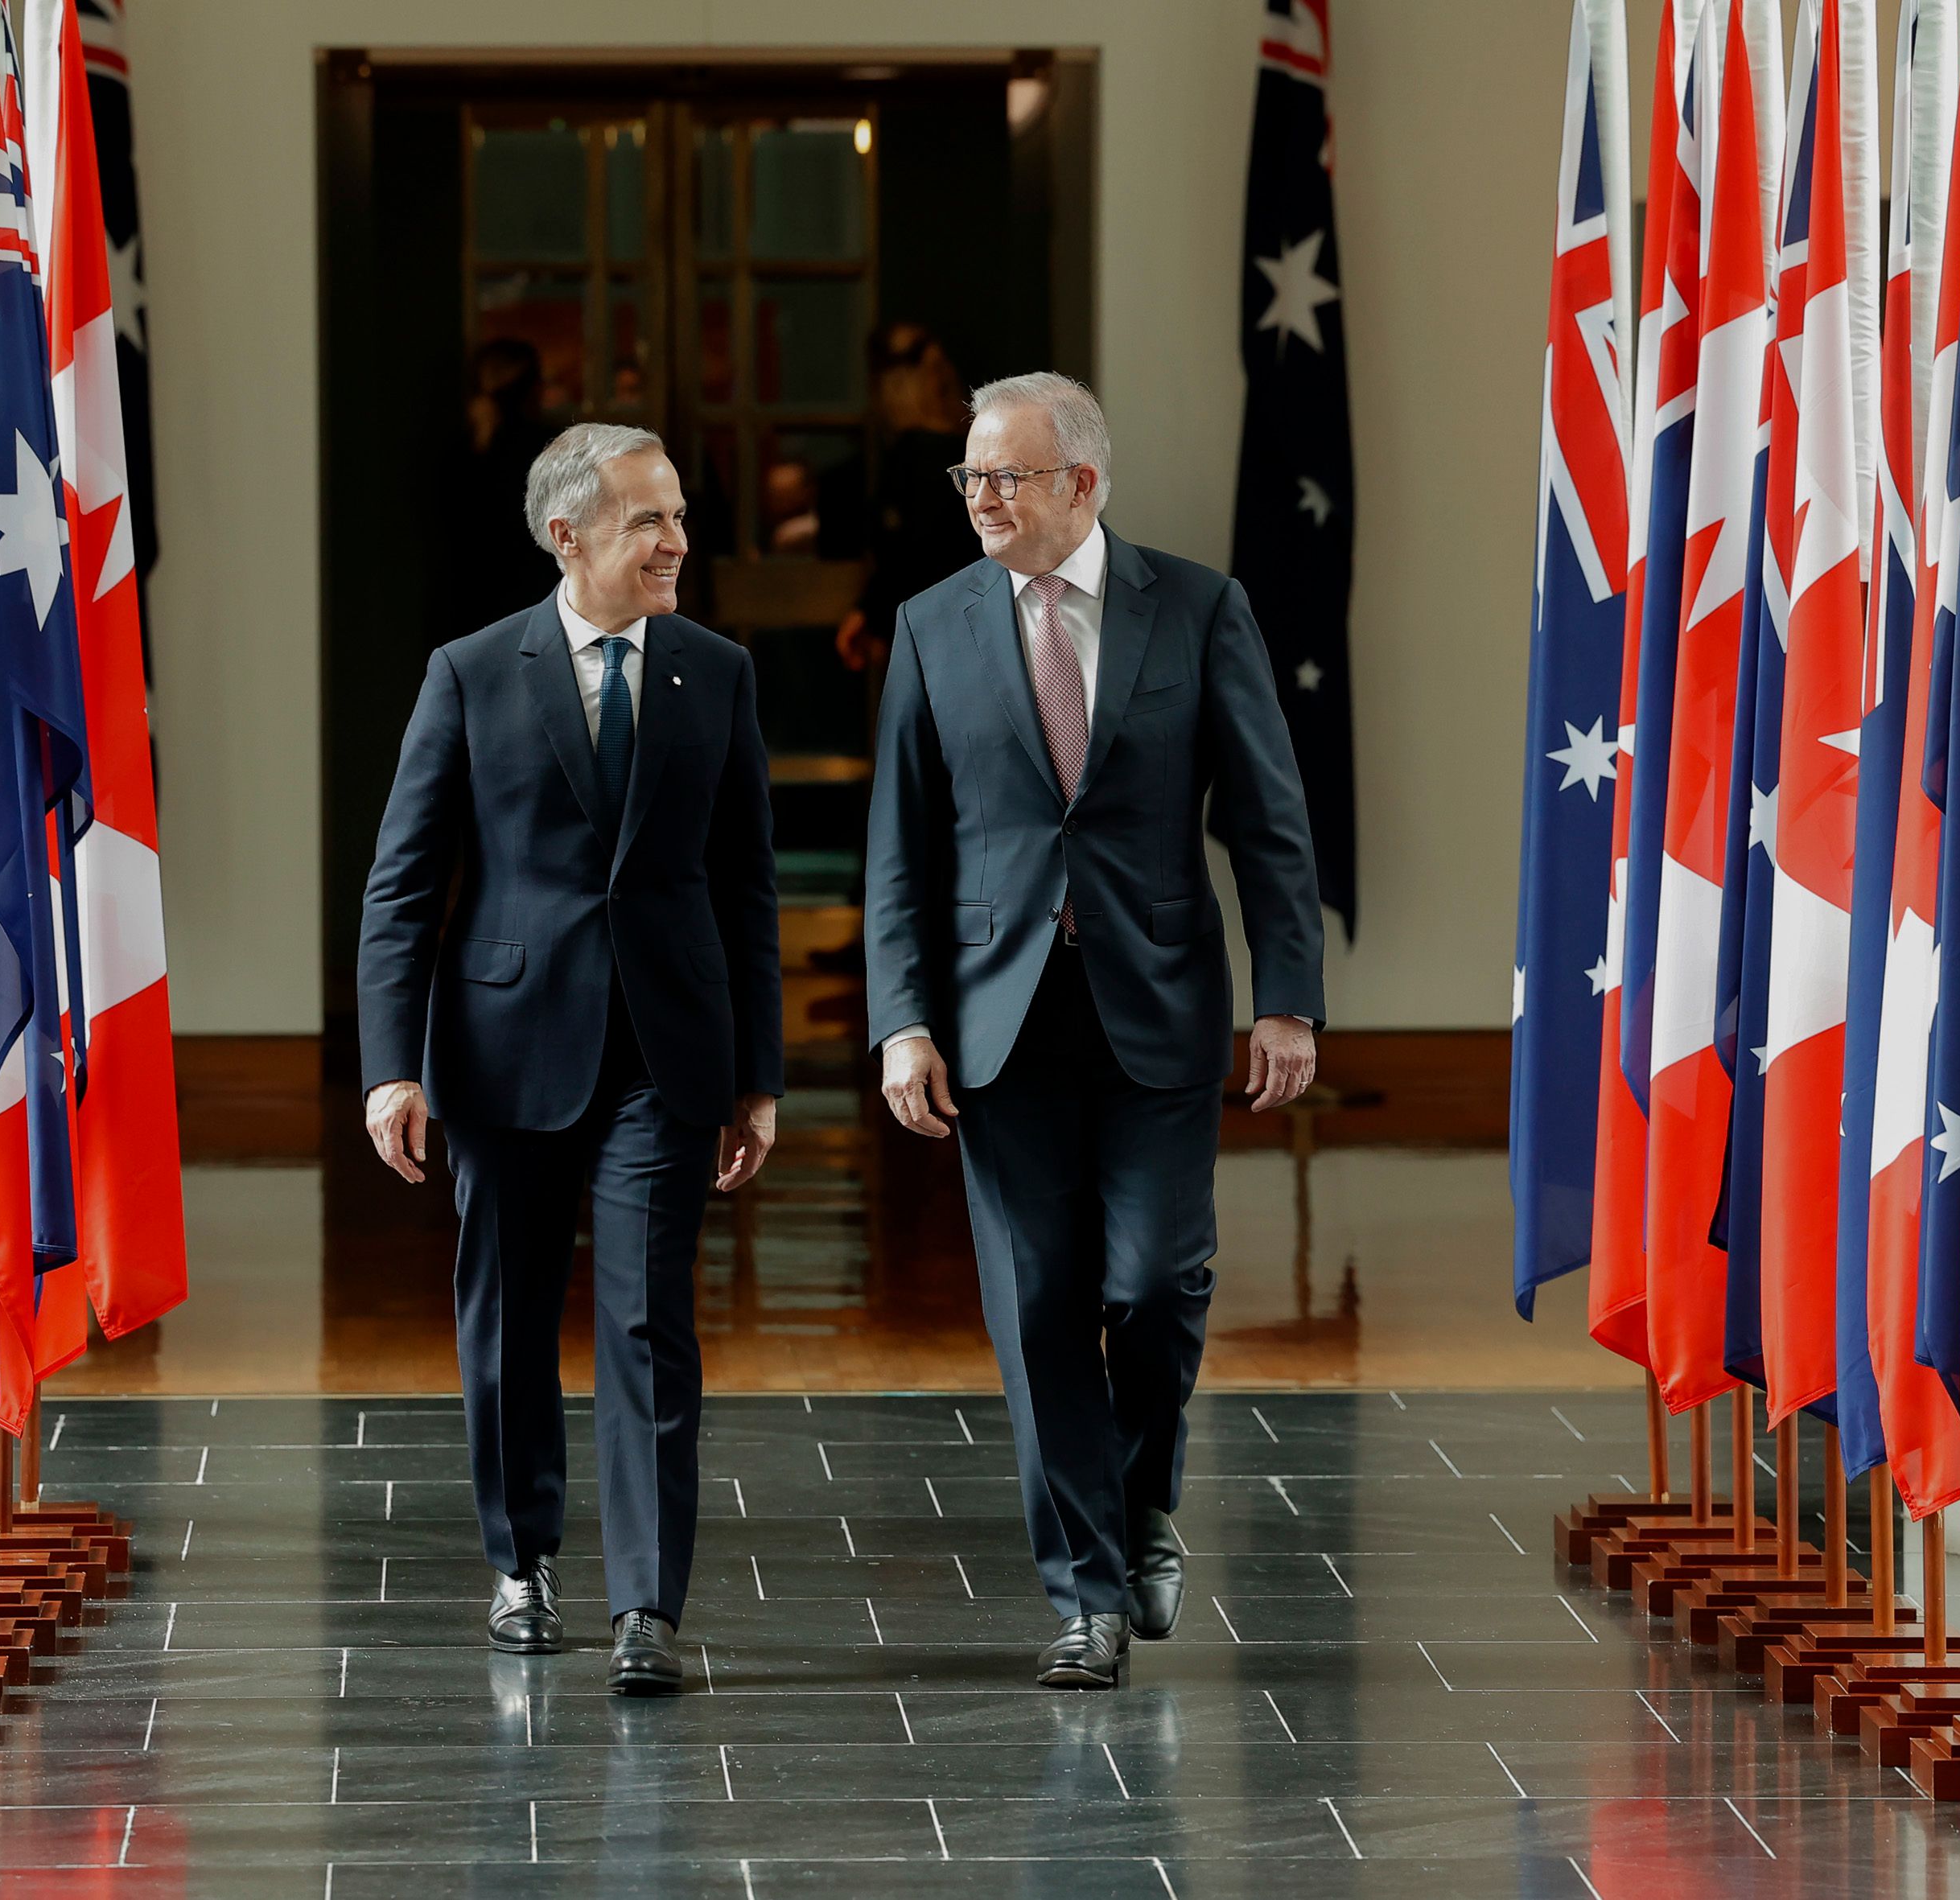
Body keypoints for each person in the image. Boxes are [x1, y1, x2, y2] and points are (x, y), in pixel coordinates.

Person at [863, 372, 1324, 1690]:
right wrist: (903, 1022)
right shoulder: (932, 625)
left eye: (1004, 476)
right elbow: (902, 848)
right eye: (967, 477)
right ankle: (1086, 1596)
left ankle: (1141, 1494)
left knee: (1155, 1281)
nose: (978, 499)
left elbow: (1266, 815)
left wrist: (1283, 993)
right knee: (1040, 1304)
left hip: (1159, 1012)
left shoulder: (1195, 608)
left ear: (1082, 482)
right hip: (994, 1022)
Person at [359, 423, 784, 1695]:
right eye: (648, 521)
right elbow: (403, 885)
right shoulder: (472, 671)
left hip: (667, 1050)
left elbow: (745, 886)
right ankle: (522, 1560)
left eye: (677, 517)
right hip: (501, 1050)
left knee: (649, 1319)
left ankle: (647, 1602)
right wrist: (393, 1064)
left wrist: (757, 1069)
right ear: (568, 535)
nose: (675, 542)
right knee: (507, 1317)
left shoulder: (715, 673)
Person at [835, 323, 980, 672]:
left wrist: (871, 611)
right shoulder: (970, 449)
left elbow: (911, 551)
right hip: (969, 620)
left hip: (934, 629)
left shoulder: (915, 457)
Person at [434, 337, 566, 641]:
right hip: (532, 591)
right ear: (532, 387)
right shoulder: (545, 445)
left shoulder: (459, 447)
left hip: (468, 593)